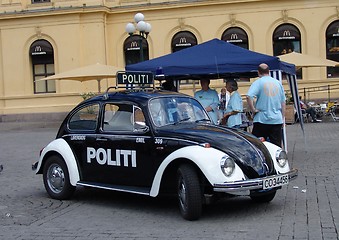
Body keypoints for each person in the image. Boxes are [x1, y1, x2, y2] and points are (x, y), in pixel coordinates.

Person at [246, 63, 285, 147]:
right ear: (269, 71)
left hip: (262, 119)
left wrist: (253, 110)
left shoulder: (258, 82)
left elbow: (249, 96)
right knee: (276, 146)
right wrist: (283, 118)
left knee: (258, 145)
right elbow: (283, 102)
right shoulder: (278, 83)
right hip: (276, 119)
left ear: (258, 72)